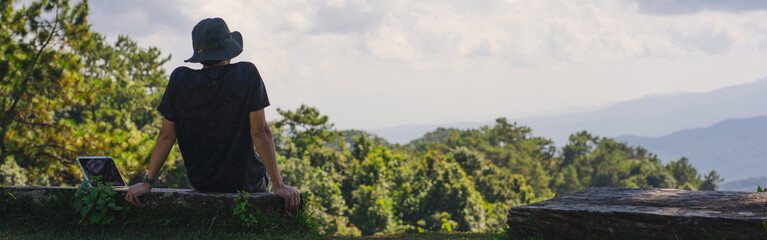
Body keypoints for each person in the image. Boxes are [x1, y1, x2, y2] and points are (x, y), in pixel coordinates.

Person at [125, 17, 300, 210]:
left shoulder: (180, 79)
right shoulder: (246, 73)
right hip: (245, 181)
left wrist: (148, 182)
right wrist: (279, 185)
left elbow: (166, 135)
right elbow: (260, 132)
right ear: (228, 51)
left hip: (202, 181)